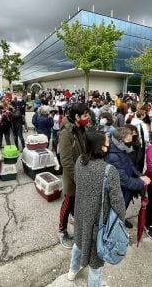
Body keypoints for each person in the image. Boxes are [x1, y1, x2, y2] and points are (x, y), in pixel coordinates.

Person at [67, 131, 125, 285]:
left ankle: (72, 272)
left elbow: (77, 182)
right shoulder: (109, 170)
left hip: (80, 215)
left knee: (78, 245)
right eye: (106, 143)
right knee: (95, 263)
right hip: (98, 223)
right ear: (99, 147)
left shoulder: (80, 161)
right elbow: (118, 201)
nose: (108, 145)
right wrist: (120, 222)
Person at [105, 127, 150, 228]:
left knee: (122, 209)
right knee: (116, 212)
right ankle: (115, 229)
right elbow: (124, 181)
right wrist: (142, 183)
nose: (131, 143)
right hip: (120, 189)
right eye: (129, 141)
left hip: (126, 190)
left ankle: (121, 220)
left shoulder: (121, 148)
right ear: (120, 140)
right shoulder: (113, 156)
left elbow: (130, 166)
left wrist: (140, 176)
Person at [58, 103, 89, 249]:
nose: (87, 117)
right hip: (72, 176)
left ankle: (74, 216)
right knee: (68, 201)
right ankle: (62, 230)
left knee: (78, 201)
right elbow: (66, 160)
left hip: (83, 171)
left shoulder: (81, 128)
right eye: (85, 115)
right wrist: (77, 177)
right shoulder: (67, 132)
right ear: (76, 116)